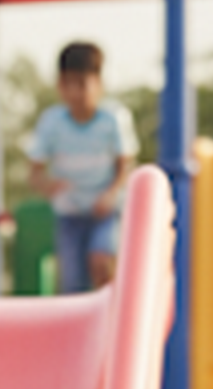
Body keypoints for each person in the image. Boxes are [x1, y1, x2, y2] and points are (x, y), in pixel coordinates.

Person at [24, 41, 138, 294]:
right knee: (72, 281)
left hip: (105, 211)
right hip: (70, 212)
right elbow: (34, 172)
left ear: (99, 83)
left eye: (82, 84)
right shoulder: (52, 121)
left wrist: (110, 194)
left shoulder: (113, 119)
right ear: (59, 85)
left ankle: (111, 309)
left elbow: (124, 166)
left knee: (101, 260)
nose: (75, 93)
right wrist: (47, 186)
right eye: (68, 84)